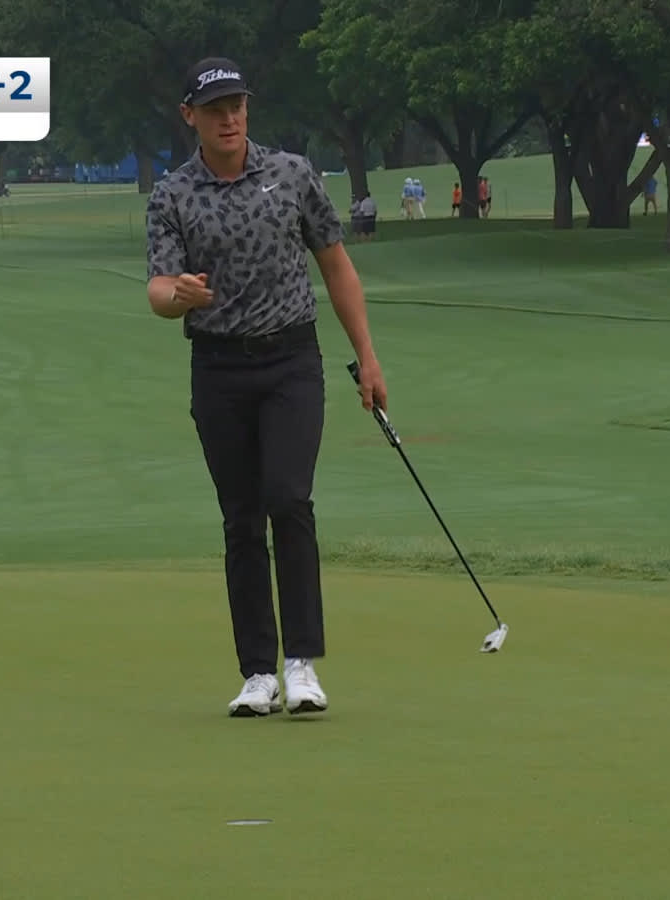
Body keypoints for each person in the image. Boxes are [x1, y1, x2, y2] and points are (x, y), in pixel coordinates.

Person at [144, 56, 388, 718]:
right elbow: (159, 291)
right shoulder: (172, 195)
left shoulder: (291, 174)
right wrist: (180, 295)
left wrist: (366, 356)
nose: (230, 118)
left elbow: (335, 266)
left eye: (238, 106)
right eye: (216, 109)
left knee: (288, 498)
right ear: (190, 116)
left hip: (291, 362)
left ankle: (302, 663)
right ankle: (258, 672)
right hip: (219, 368)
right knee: (241, 518)